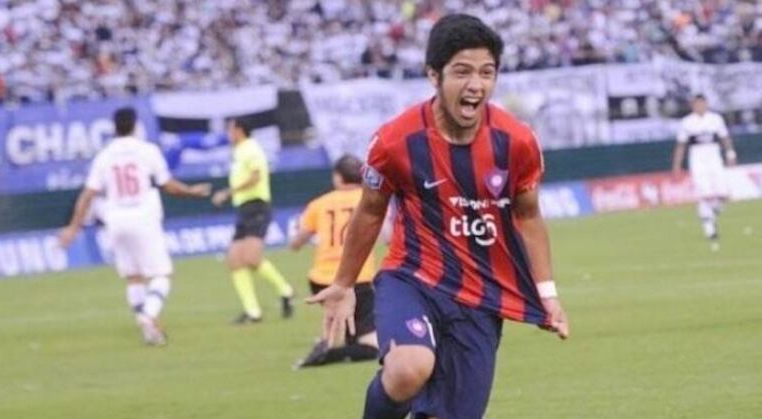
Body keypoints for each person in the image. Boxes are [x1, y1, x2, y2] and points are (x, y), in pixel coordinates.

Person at [307, 14, 570, 419]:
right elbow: (370, 210)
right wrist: (343, 283)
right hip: (412, 278)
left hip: (482, 297)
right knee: (408, 369)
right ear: (434, 75)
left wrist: (547, 293)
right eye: (462, 72)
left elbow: (529, 216)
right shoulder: (396, 141)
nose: (476, 84)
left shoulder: (517, 142)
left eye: (487, 72)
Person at [58, 107, 211, 346]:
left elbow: (87, 195)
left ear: (115, 127)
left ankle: (147, 327)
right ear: (135, 125)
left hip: (115, 219)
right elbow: (168, 185)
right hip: (143, 216)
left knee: (133, 277)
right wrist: (192, 191)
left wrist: (72, 227)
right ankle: (149, 314)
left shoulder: (105, 156)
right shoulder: (147, 150)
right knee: (161, 275)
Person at [290, 155, 380, 368]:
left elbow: (296, 243)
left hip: (321, 279)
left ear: (338, 178)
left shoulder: (319, 203)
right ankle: (328, 351)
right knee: (372, 346)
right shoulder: (371, 199)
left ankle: (330, 343)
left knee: (349, 329)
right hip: (358, 277)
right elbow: (388, 236)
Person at [212, 118, 295, 324]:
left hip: (257, 205)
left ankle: (285, 289)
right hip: (243, 208)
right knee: (234, 260)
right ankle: (253, 311)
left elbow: (256, 176)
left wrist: (228, 192)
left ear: (239, 130)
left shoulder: (251, 148)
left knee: (250, 257)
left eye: (230, 129)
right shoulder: (239, 150)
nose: (228, 134)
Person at [673, 94, 737, 251]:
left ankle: (712, 214)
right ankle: (709, 229)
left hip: (714, 157)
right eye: (697, 104)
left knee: (723, 194)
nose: (700, 106)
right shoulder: (687, 122)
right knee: (704, 194)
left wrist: (730, 153)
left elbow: (724, 138)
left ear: (706, 104)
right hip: (698, 160)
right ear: (693, 106)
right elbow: (681, 144)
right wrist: (677, 165)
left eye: (702, 103)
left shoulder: (715, 119)